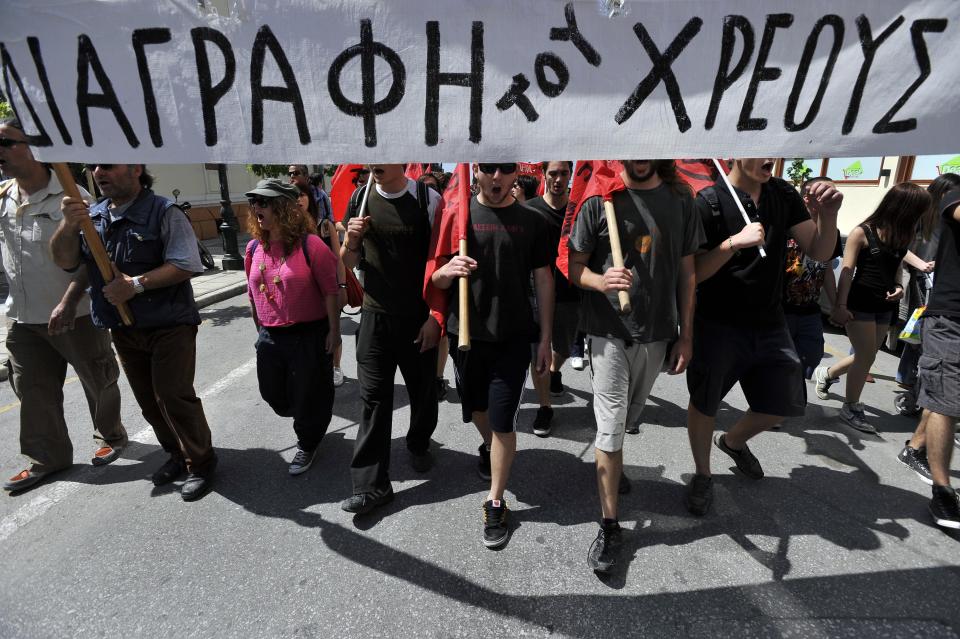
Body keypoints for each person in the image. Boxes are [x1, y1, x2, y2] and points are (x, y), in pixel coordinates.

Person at [685, 158, 841, 517]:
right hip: (718, 322)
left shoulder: (783, 193)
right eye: (760, 148)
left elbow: (819, 251)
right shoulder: (707, 201)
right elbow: (692, 273)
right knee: (705, 400)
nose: (770, 156)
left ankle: (732, 442)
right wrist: (732, 244)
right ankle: (702, 474)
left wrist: (828, 215)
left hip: (770, 321)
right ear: (737, 153)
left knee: (781, 404)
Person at [51, 164, 217, 501]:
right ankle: (175, 455)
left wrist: (136, 285)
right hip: (124, 327)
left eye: (108, 164)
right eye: (93, 166)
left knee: (172, 396)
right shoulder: (91, 216)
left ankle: (200, 462)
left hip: (169, 323)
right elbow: (70, 263)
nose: (98, 172)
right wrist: (68, 227)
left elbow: (186, 262)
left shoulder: (163, 211)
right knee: (148, 403)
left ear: (136, 168)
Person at [569, 160, 703, 572]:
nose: (639, 155)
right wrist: (600, 280)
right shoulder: (599, 197)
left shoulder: (681, 200)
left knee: (628, 418)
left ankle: (616, 463)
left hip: (657, 333)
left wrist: (685, 335)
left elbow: (688, 273)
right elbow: (575, 267)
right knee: (609, 428)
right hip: (607, 331)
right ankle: (610, 527)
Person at [0, 118, 128, 492]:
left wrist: (69, 301)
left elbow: (94, 260)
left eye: (5, 142)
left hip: (76, 314)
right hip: (24, 317)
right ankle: (48, 458)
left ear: (35, 148)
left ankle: (111, 435)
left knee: (98, 379)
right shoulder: (4, 195)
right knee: (32, 389)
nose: (0, 152)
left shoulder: (73, 199)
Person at [431, 162, 553, 549]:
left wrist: (546, 337)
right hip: (466, 333)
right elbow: (434, 277)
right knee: (476, 409)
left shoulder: (531, 220)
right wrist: (449, 269)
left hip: (512, 337)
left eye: (505, 169)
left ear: (516, 173)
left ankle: (495, 500)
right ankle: (488, 446)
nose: (496, 177)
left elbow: (544, 278)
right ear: (476, 172)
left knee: (503, 421)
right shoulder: (458, 213)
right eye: (488, 168)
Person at [338, 164, 442, 514]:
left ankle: (418, 441)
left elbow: (442, 261)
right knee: (373, 399)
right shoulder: (359, 198)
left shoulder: (428, 200)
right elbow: (348, 261)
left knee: (423, 390)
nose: (376, 165)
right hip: (374, 315)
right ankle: (371, 485)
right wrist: (351, 241)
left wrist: (434, 317)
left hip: (418, 318)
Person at [814, 183, 932, 434]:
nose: (922, 215)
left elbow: (897, 265)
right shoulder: (862, 231)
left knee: (867, 355)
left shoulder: (904, 233)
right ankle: (851, 407)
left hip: (885, 304)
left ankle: (828, 373)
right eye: (919, 209)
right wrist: (840, 305)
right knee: (866, 356)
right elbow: (846, 272)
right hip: (859, 302)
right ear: (904, 207)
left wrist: (899, 285)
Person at [244, 179, 341, 476]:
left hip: (307, 334)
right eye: (255, 202)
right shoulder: (252, 248)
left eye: (265, 202)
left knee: (307, 394)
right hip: (270, 335)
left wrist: (334, 332)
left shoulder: (312, 246)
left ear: (284, 208)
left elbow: (330, 291)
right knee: (274, 395)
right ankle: (309, 417)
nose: (258, 208)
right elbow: (252, 293)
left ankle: (308, 441)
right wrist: (259, 330)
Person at [912, 187, 960, 529]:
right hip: (951, 319)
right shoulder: (954, 196)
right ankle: (943, 492)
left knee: (945, 397)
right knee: (946, 402)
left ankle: (915, 448)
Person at [894, 173, 960, 417]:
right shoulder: (920, 217)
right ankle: (910, 381)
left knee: (921, 336)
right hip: (919, 279)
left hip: (938, 280)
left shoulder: (949, 220)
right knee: (916, 332)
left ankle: (913, 383)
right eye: (949, 193)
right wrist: (921, 264)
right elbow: (900, 247)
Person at [523, 161, 576, 437]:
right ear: (544, 175)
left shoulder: (577, 210)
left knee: (565, 347)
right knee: (538, 353)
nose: (558, 179)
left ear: (570, 175)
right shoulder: (530, 209)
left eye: (563, 173)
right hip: (536, 294)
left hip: (570, 294)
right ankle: (545, 407)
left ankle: (555, 369)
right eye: (552, 173)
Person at [783, 177, 843, 382]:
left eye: (834, 193)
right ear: (807, 197)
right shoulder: (787, 225)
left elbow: (826, 270)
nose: (830, 197)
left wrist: (836, 304)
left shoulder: (831, 233)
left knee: (811, 358)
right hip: (782, 309)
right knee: (780, 365)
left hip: (810, 310)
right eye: (825, 192)